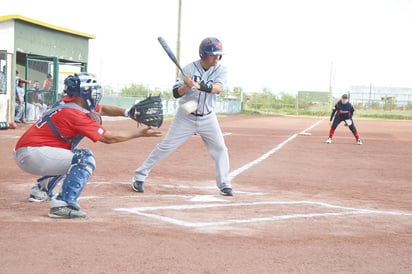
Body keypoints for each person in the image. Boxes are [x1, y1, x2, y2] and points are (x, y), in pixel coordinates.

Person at [14, 72, 162, 219]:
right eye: (91, 91)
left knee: (69, 154)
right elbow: (108, 138)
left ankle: (41, 190)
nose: (93, 94)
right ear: (81, 93)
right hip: (33, 154)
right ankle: (63, 204)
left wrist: (128, 112)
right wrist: (139, 133)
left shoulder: (68, 103)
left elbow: (102, 109)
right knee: (84, 158)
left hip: (30, 152)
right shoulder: (74, 114)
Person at [131, 37, 233, 196]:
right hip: (186, 116)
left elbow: (217, 88)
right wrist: (186, 85)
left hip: (208, 117)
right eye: (213, 55)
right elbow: (175, 93)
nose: (216, 58)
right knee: (165, 146)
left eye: (219, 55)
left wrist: (199, 85)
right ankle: (140, 175)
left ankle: (225, 184)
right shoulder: (188, 69)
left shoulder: (221, 70)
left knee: (220, 149)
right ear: (203, 54)